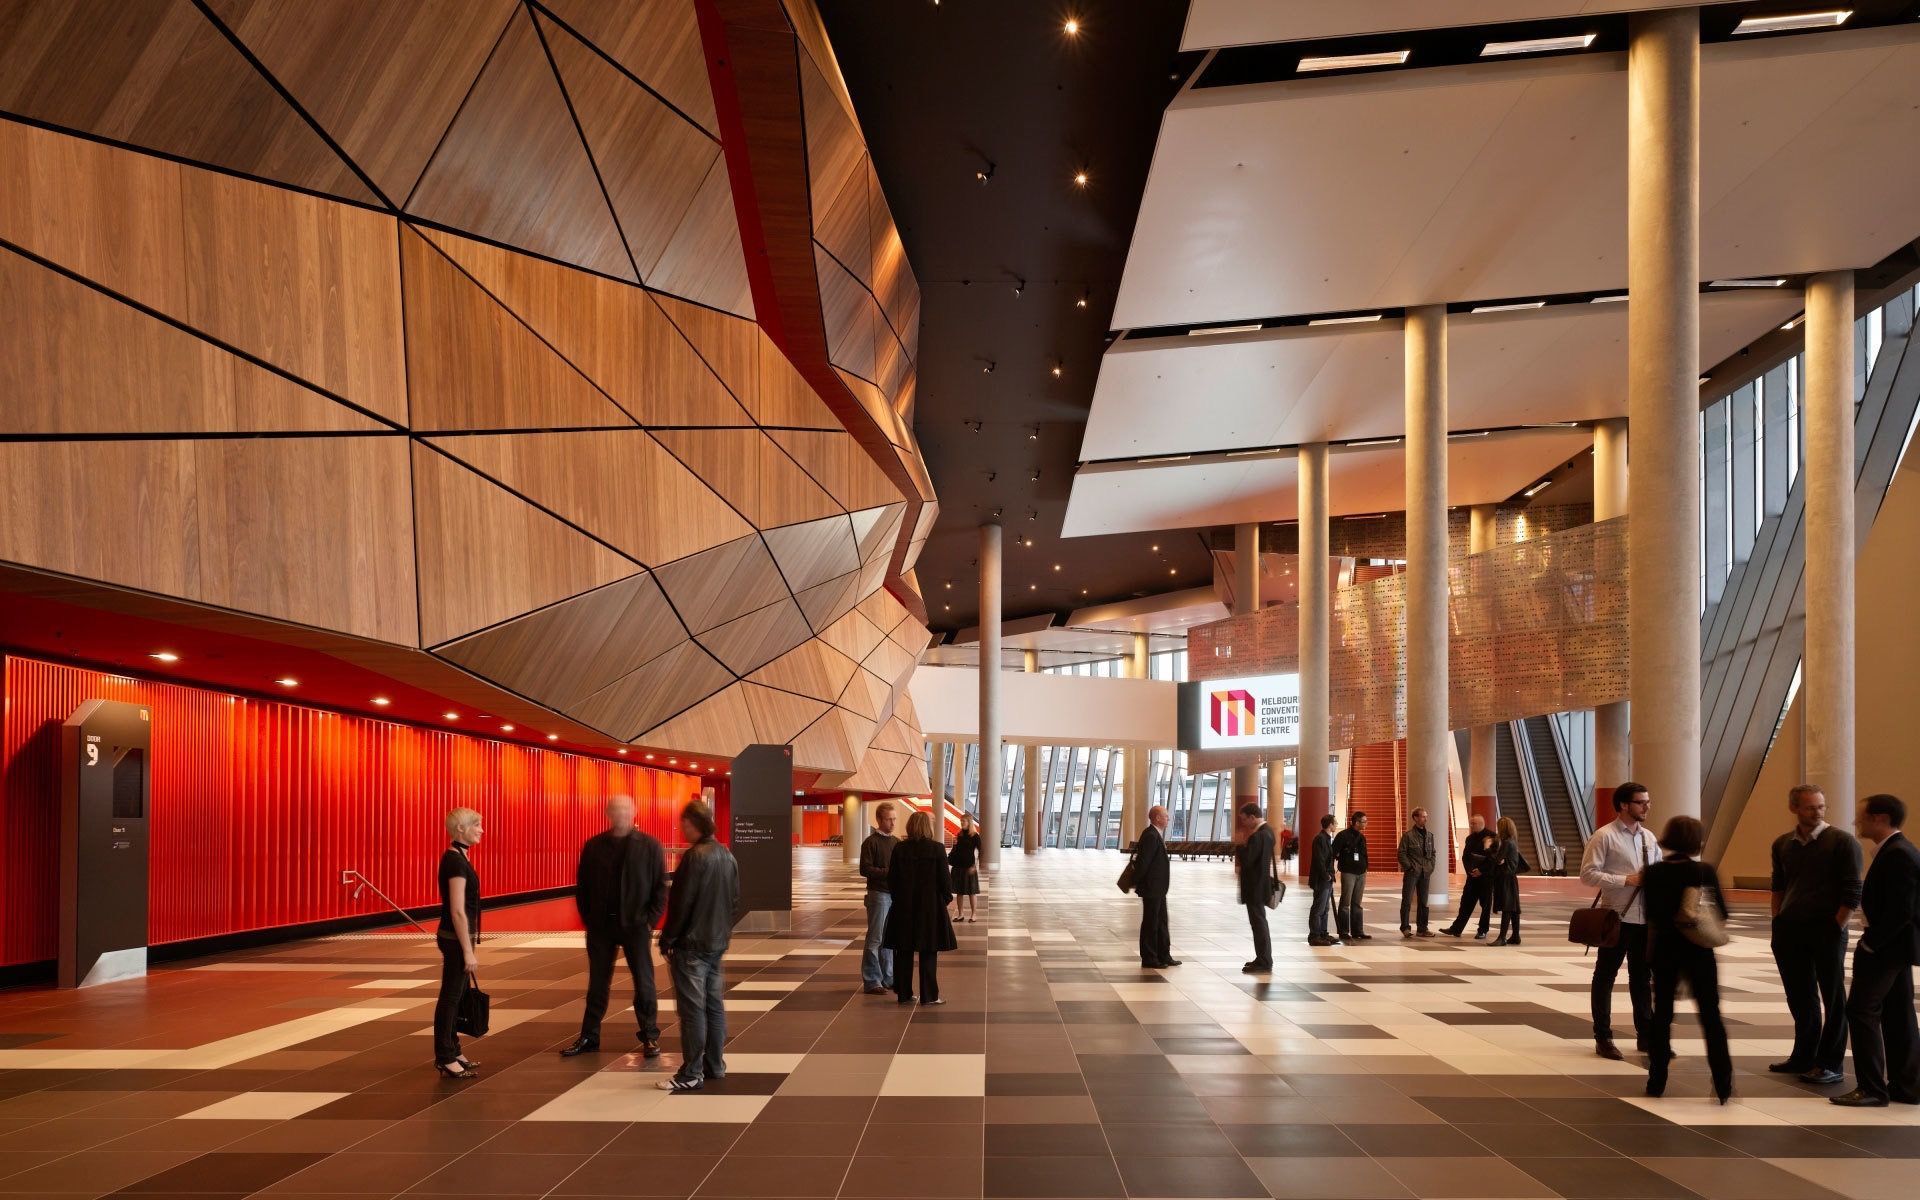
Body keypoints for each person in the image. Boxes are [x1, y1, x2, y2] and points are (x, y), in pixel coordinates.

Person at [1768, 784, 1862, 1086]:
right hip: (1791, 929)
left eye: (1821, 806)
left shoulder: (1842, 842)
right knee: (1800, 996)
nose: (1817, 812)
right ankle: (1804, 1055)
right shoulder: (1783, 844)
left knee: (1833, 998)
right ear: (1794, 808)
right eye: (1810, 807)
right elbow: (1778, 884)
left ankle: (1830, 1063)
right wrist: (1777, 920)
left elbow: (1852, 889)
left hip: (1827, 929)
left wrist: (1837, 926)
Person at [561, 795, 668, 1059]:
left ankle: (650, 1036)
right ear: (607, 813)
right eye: (616, 809)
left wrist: (649, 921)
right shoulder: (594, 846)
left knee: (644, 982)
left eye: (625, 809)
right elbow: (583, 886)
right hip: (601, 927)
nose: (621, 813)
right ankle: (589, 1036)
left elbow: (660, 887)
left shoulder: (650, 846)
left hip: (635, 926)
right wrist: (589, 918)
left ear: (634, 811)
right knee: (597, 983)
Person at [1832, 794, 1920, 1108]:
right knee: (1899, 1013)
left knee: (1861, 1010)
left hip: (1886, 949)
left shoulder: (1898, 854)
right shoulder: (1899, 850)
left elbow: (1901, 910)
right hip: (1896, 949)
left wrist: (1871, 943)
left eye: (1862, 817)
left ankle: (1871, 1088)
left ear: (1880, 819)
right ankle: (1906, 1086)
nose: (1856, 821)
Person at [1641, 815, 1733, 1103]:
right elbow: (1722, 913)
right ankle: (1723, 1083)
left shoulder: (1652, 872)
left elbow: (1651, 914)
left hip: (1664, 950)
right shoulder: (1703, 871)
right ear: (1695, 841)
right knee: (1710, 1015)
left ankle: (1656, 1080)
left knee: (1662, 1014)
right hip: (1698, 951)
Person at [656, 800, 739, 1092]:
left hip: (691, 946)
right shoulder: (727, 855)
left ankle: (691, 1073)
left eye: (685, 823)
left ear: (695, 824)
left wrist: (668, 938)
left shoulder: (694, 858)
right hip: (716, 942)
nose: (682, 829)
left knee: (692, 1011)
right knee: (714, 1006)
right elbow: (734, 901)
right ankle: (714, 1065)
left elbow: (681, 904)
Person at [1580, 781, 1660, 1061]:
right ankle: (1603, 1037)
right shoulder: (1604, 836)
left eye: (1647, 801)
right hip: (1616, 917)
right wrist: (1626, 880)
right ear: (1624, 805)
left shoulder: (1649, 837)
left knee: (1642, 978)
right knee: (1605, 977)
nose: (1647, 806)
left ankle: (1646, 1035)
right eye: (1641, 802)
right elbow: (1588, 874)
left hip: (1644, 919)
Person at [884, 811, 958, 1004]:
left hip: (903, 907)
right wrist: (942, 901)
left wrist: (899, 899)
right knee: (928, 951)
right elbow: (945, 882)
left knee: (903, 950)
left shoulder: (900, 848)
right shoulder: (937, 848)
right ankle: (929, 995)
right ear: (927, 827)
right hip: (930, 908)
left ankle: (904, 994)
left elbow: (892, 879)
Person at [432, 808, 483, 1080]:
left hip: (457, 937)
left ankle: (454, 1050)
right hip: (455, 939)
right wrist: (467, 951)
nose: (481, 830)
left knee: (458, 995)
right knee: (450, 998)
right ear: (461, 829)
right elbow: (457, 911)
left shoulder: (460, 856)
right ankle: (445, 1057)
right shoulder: (455, 862)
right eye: (477, 825)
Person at [859, 801, 897, 995]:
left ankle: (888, 977)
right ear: (880, 820)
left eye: (894, 819)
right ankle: (872, 980)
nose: (893, 823)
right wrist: (888, 872)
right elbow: (864, 869)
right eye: (889, 819)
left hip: (894, 894)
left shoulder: (896, 842)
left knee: (889, 939)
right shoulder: (870, 842)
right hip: (878, 894)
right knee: (875, 938)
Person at [1235, 803, 1278, 973]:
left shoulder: (1258, 836)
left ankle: (1264, 961)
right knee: (1260, 923)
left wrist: (1240, 845)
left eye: (1244, 819)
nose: (1243, 823)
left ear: (1252, 817)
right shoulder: (1269, 832)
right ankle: (1262, 958)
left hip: (1255, 888)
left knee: (1258, 924)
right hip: (1260, 886)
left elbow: (1247, 860)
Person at [1134, 805, 1178, 968]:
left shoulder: (1155, 834)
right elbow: (1143, 862)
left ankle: (1163, 955)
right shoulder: (1151, 835)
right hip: (1152, 888)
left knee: (1161, 922)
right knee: (1151, 923)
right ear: (1157, 818)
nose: (1168, 818)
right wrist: (1139, 883)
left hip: (1158, 888)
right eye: (1166, 816)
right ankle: (1150, 958)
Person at [1444, 814, 1496, 939]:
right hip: (1472, 877)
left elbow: (1493, 859)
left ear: (1481, 823)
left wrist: (1481, 871)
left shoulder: (1492, 837)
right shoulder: (1470, 838)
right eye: (1471, 823)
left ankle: (1482, 930)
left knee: (1485, 906)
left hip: (1486, 878)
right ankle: (1456, 929)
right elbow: (1465, 857)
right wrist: (1470, 871)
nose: (1471, 826)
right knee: (1465, 903)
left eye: (1474, 823)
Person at [1488, 816, 1528, 946]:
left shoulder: (1506, 843)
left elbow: (1496, 860)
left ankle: (1502, 937)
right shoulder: (1513, 842)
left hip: (1505, 879)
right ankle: (1515, 936)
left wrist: (1488, 848)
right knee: (1513, 907)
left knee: (1507, 907)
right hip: (1512, 878)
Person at [1398, 807, 1437, 938]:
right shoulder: (1408, 836)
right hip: (1412, 873)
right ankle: (1405, 927)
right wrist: (1409, 867)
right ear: (1415, 818)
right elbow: (1401, 853)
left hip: (1425, 873)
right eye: (1423, 816)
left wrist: (1430, 867)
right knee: (1407, 900)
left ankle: (1422, 928)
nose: (1426, 819)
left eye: (1426, 816)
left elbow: (1433, 853)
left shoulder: (1430, 836)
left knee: (1424, 902)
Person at [1332, 810, 1371, 940]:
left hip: (1361, 873)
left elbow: (1364, 855)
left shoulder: (1362, 837)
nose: (1366, 824)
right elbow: (1333, 853)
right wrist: (1331, 870)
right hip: (1348, 872)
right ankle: (1343, 931)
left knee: (1357, 903)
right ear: (1356, 822)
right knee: (1345, 902)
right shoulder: (1342, 836)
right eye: (1364, 821)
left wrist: (1365, 867)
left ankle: (1358, 931)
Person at [1308, 813, 1338, 946]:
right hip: (1321, 879)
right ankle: (1314, 935)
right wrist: (1326, 875)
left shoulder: (1326, 838)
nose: (1336, 825)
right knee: (1318, 908)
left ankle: (1323, 933)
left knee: (1325, 908)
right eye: (1335, 823)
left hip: (1327, 879)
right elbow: (1319, 860)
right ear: (1330, 824)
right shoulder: (1320, 839)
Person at [948, 812, 982, 923]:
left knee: (972, 892)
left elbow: (981, 852)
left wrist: (975, 866)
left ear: (969, 822)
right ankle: (961, 914)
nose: (961, 823)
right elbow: (955, 850)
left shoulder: (975, 836)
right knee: (959, 892)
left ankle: (973, 914)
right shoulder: (959, 835)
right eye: (961, 821)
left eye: (963, 821)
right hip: (958, 867)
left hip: (969, 867)